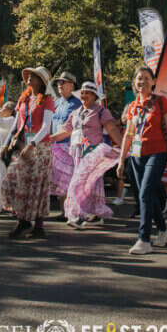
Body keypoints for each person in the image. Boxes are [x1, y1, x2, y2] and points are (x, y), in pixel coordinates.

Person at [116, 66, 167, 255]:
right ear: (134, 83)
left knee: (144, 194)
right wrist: (121, 161)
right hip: (136, 156)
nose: (142, 82)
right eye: (138, 79)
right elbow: (128, 135)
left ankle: (144, 239)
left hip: (157, 153)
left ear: (153, 82)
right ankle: (163, 230)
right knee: (147, 195)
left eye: (146, 78)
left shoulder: (161, 102)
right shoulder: (133, 106)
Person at [1, 66, 57, 238]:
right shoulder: (24, 99)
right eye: (29, 75)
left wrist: (32, 144)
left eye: (34, 76)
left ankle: (33, 224)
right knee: (12, 182)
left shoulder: (47, 100)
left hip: (39, 148)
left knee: (36, 186)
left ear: (41, 82)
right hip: (24, 145)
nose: (29, 78)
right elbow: (16, 123)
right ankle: (24, 220)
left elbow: (46, 126)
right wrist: (6, 143)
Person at [63, 81, 121, 228]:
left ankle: (80, 214)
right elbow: (65, 130)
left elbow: (112, 129)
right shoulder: (76, 113)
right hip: (78, 153)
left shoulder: (101, 111)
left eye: (87, 93)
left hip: (93, 153)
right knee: (81, 182)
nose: (84, 95)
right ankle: (88, 214)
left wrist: (124, 146)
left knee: (87, 183)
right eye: (82, 93)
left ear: (94, 96)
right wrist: (47, 138)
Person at [48, 72, 82, 206]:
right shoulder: (56, 103)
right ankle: (64, 212)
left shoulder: (78, 103)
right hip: (55, 147)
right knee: (59, 181)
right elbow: (51, 123)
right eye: (58, 83)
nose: (59, 85)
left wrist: (49, 139)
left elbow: (71, 128)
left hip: (69, 147)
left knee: (69, 181)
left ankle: (71, 211)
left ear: (72, 85)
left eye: (63, 82)